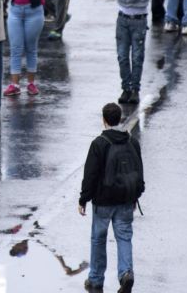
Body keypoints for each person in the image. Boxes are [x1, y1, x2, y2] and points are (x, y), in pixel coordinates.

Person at [78, 0, 165, 104]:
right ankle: (125, 88)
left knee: (137, 57)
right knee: (122, 56)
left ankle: (135, 90)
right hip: (122, 20)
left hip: (139, 20)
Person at [79, 101, 144, 293]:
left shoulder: (99, 144)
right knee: (124, 236)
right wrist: (136, 195)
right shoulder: (131, 141)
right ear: (120, 119)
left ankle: (96, 278)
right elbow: (138, 169)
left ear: (104, 120)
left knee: (98, 238)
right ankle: (126, 273)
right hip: (125, 198)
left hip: (103, 200)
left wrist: (83, 199)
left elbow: (90, 174)